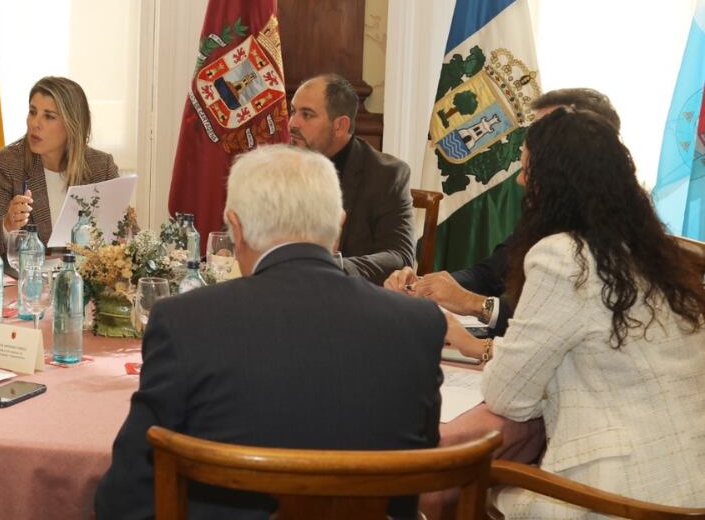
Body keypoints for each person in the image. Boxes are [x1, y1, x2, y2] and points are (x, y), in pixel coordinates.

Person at [94, 144, 445, 520]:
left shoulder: (184, 322)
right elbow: (410, 487)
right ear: (339, 226)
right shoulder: (419, 324)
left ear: (236, 228)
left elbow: (125, 499)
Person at [469, 109, 705, 515]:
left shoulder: (562, 257)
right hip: (690, 487)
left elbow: (508, 397)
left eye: (527, 168)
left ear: (553, 182)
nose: (521, 181)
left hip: (616, 500)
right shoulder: (659, 255)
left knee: (465, 486)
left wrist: (493, 356)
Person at [384, 88, 620, 336]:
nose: (528, 144)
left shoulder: (610, 228)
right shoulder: (549, 208)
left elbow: (549, 321)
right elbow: (491, 272)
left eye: (546, 132)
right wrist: (425, 286)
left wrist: (472, 303)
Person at [287, 73, 413, 283]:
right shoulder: (277, 166)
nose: (292, 123)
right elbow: (239, 233)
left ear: (340, 126)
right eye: (293, 111)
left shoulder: (386, 175)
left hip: (347, 299)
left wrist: (328, 267)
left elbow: (399, 256)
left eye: (307, 115)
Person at [0, 76, 119, 251]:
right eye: (32, 112)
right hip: (27, 276)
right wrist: (8, 224)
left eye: (49, 116)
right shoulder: (7, 164)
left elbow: (126, 235)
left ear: (73, 125)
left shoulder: (101, 166)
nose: (35, 123)